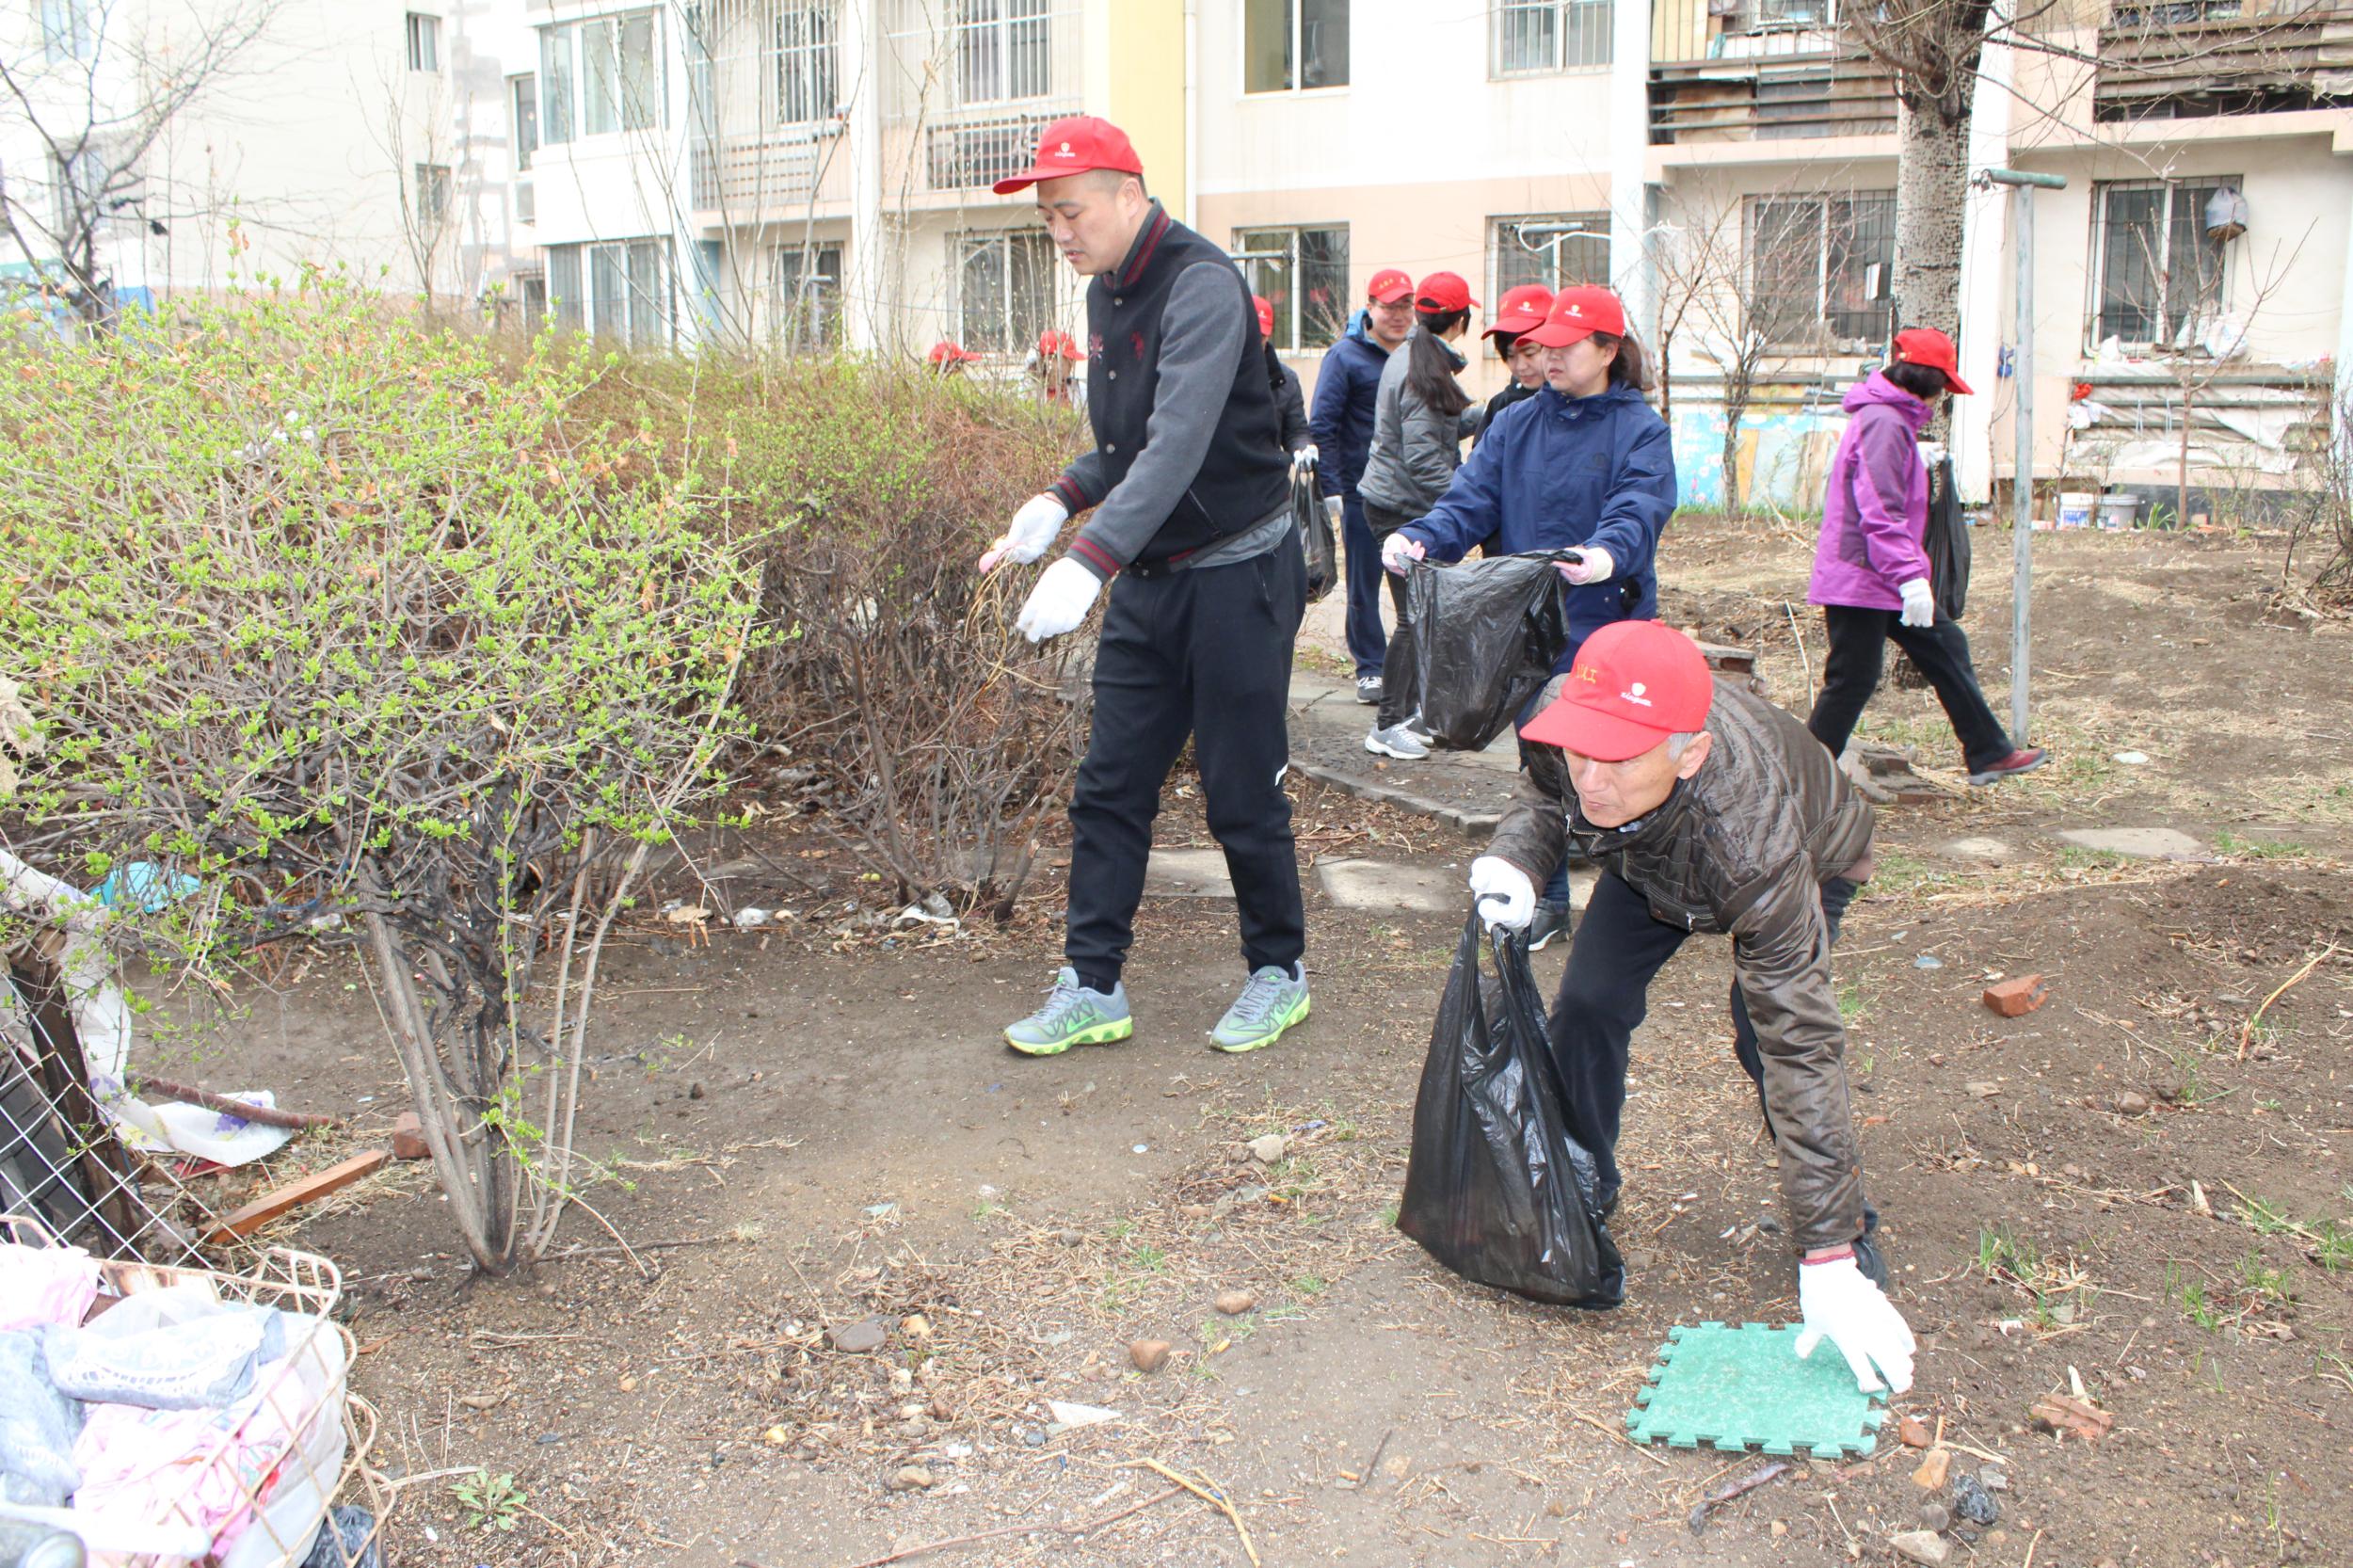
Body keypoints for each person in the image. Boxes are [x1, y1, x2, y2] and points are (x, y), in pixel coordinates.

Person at [1469, 620, 1915, 1397]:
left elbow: (1800, 1041)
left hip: (1807, 849)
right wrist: (1517, 857)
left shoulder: (1753, 845)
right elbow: (1547, 794)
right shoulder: (1567, 727)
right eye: (1582, 750)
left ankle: (1845, 1233)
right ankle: (1583, 1181)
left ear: (1691, 753)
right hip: (1652, 858)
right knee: (1588, 1000)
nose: (1591, 780)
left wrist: (1828, 1253)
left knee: (1763, 1035)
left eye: (1617, 759)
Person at [975, 116, 1311, 1058]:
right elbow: (1126, 445)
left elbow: (1181, 441)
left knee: (1242, 791)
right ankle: (1091, 984)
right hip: (1155, 579)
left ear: (1129, 194)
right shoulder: (1106, 292)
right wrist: (1061, 497)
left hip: (1239, 572)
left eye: (1070, 211)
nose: (1061, 233)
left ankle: (1278, 969)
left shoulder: (1202, 285)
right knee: (1110, 785)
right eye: (1047, 218)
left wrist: (1088, 560)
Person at [1383, 285, 1675, 950]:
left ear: (1607, 350)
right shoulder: (1515, 423)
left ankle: (1647, 896)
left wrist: (1605, 556)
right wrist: (1424, 537)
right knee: (1544, 765)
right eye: (1544, 345)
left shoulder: (1639, 429)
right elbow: (1472, 500)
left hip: (1607, 623)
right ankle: (1549, 899)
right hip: (1527, 626)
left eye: (1567, 346)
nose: (1549, 357)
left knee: (1622, 767)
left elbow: (1640, 507)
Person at [1805, 328, 2048, 786]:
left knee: (1944, 646)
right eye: (1944, 390)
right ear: (1929, 383)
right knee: (1852, 679)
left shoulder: (1889, 421)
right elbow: (1880, 510)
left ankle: (1989, 750)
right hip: (1864, 577)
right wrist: (1911, 578)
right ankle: (1801, 781)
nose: (1942, 401)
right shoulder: (1885, 423)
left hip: (1876, 575)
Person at [1355, 271, 1480, 760]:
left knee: (1423, 617)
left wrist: (1487, 415)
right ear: (1462, 320)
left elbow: (1438, 426)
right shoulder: (1420, 366)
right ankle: (1386, 725)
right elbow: (1425, 460)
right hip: (1401, 511)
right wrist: (1465, 508)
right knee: (1414, 618)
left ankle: (1407, 714)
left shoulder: (1415, 355)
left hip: (1397, 503)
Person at [1310, 267, 1416, 705]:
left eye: (1405, 306)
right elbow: (1323, 424)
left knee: (1414, 583)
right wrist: (1332, 486)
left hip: (1412, 492)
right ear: (1370, 308)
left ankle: (1415, 669)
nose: (1398, 315)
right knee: (1364, 583)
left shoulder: (1418, 353)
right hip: (1360, 492)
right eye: (1388, 306)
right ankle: (1370, 668)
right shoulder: (1346, 357)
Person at [1473, 283, 1553, 445]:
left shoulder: (1577, 401)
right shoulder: (1500, 406)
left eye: (1529, 353)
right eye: (1510, 356)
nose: (1521, 366)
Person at [1254, 296, 1312, 456]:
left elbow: (1296, 432)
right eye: (1250, 334)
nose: (1254, 342)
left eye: (1260, 337)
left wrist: (1303, 450)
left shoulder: (1286, 380)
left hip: (1269, 475)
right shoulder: (1221, 375)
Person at [1027, 328, 1085, 404]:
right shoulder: (1030, 392)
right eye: (1068, 359)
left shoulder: (1080, 390)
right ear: (1049, 360)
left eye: (1073, 359)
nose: (1072, 363)